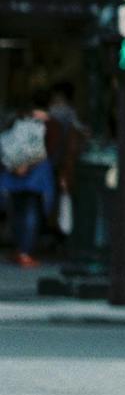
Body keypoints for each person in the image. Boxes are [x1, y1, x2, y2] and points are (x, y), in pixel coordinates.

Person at [1, 92, 53, 266]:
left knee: (17, 212)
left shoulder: (14, 120)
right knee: (30, 212)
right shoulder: (44, 122)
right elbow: (47, 149)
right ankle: (25, 251)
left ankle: (20, 250)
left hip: (14, 171)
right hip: (34, 174)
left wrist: (16, 165)